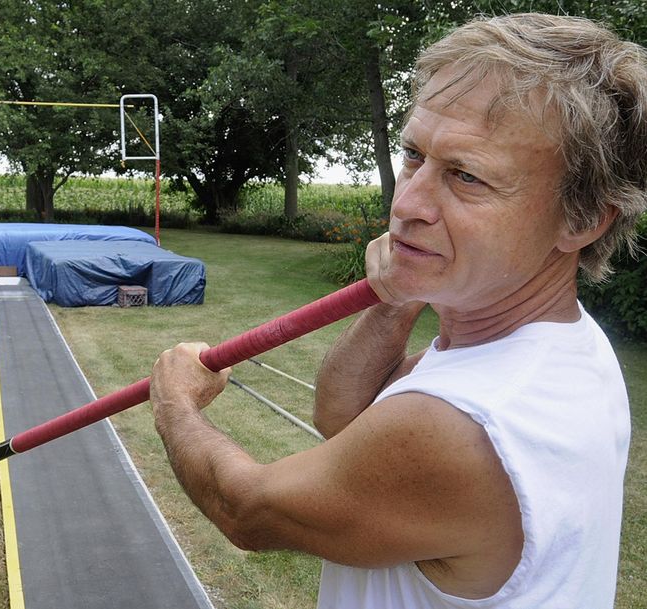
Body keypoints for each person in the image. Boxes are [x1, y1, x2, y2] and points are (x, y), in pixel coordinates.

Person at [149, 13, 646, 609]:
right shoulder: (560, 344)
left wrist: (175, 402)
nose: (406, 202)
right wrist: (398, 296)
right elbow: (347, 417)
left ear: (584, 221)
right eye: (414, 154)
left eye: (467, 176)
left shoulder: (468, 424)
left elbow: (246, 509)